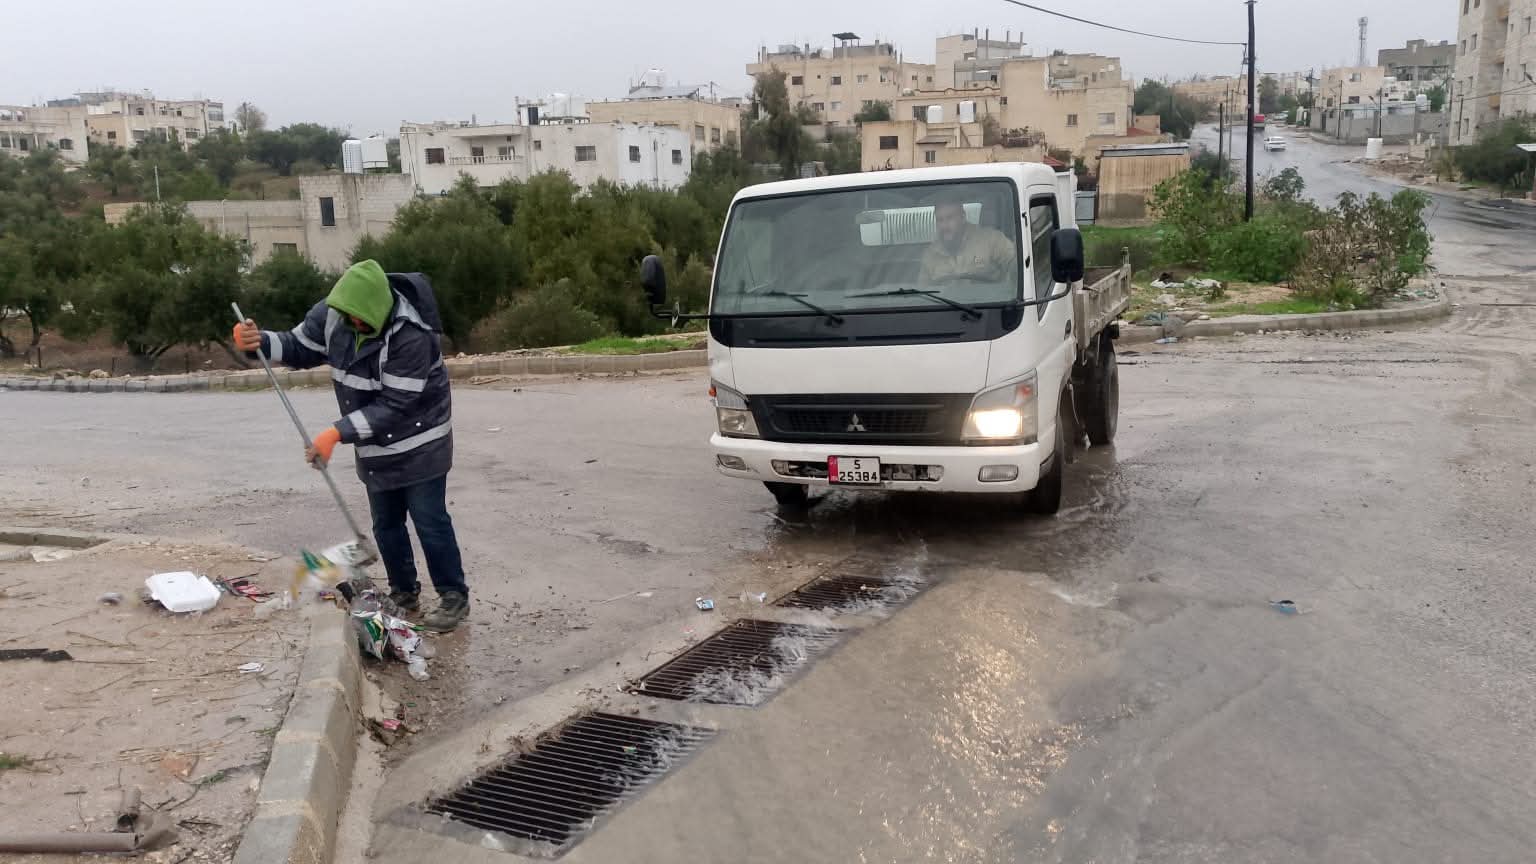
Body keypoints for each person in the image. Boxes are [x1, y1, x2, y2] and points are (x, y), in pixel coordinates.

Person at [233, 260, 469, 632]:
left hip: (423, 441)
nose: (354, 323)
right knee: (386, 524)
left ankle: (453, 596)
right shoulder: (333, 315)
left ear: (379, 309)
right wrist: (260, 341)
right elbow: (297, 346)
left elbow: (396, 405)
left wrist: (334, 434)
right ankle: (404, 591)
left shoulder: (412, 335)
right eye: (349, 317)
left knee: (430, 521)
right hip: (373, 443)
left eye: (362, 319)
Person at [919, 196, 1017, 285]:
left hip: (991, 303)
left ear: (963, 217)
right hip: (945, 304)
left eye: (949, 218)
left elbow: (1017, 265)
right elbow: (923, 293)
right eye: (940, 220)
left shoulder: (992, 239)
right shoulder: (930, 255)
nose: (944, 226)